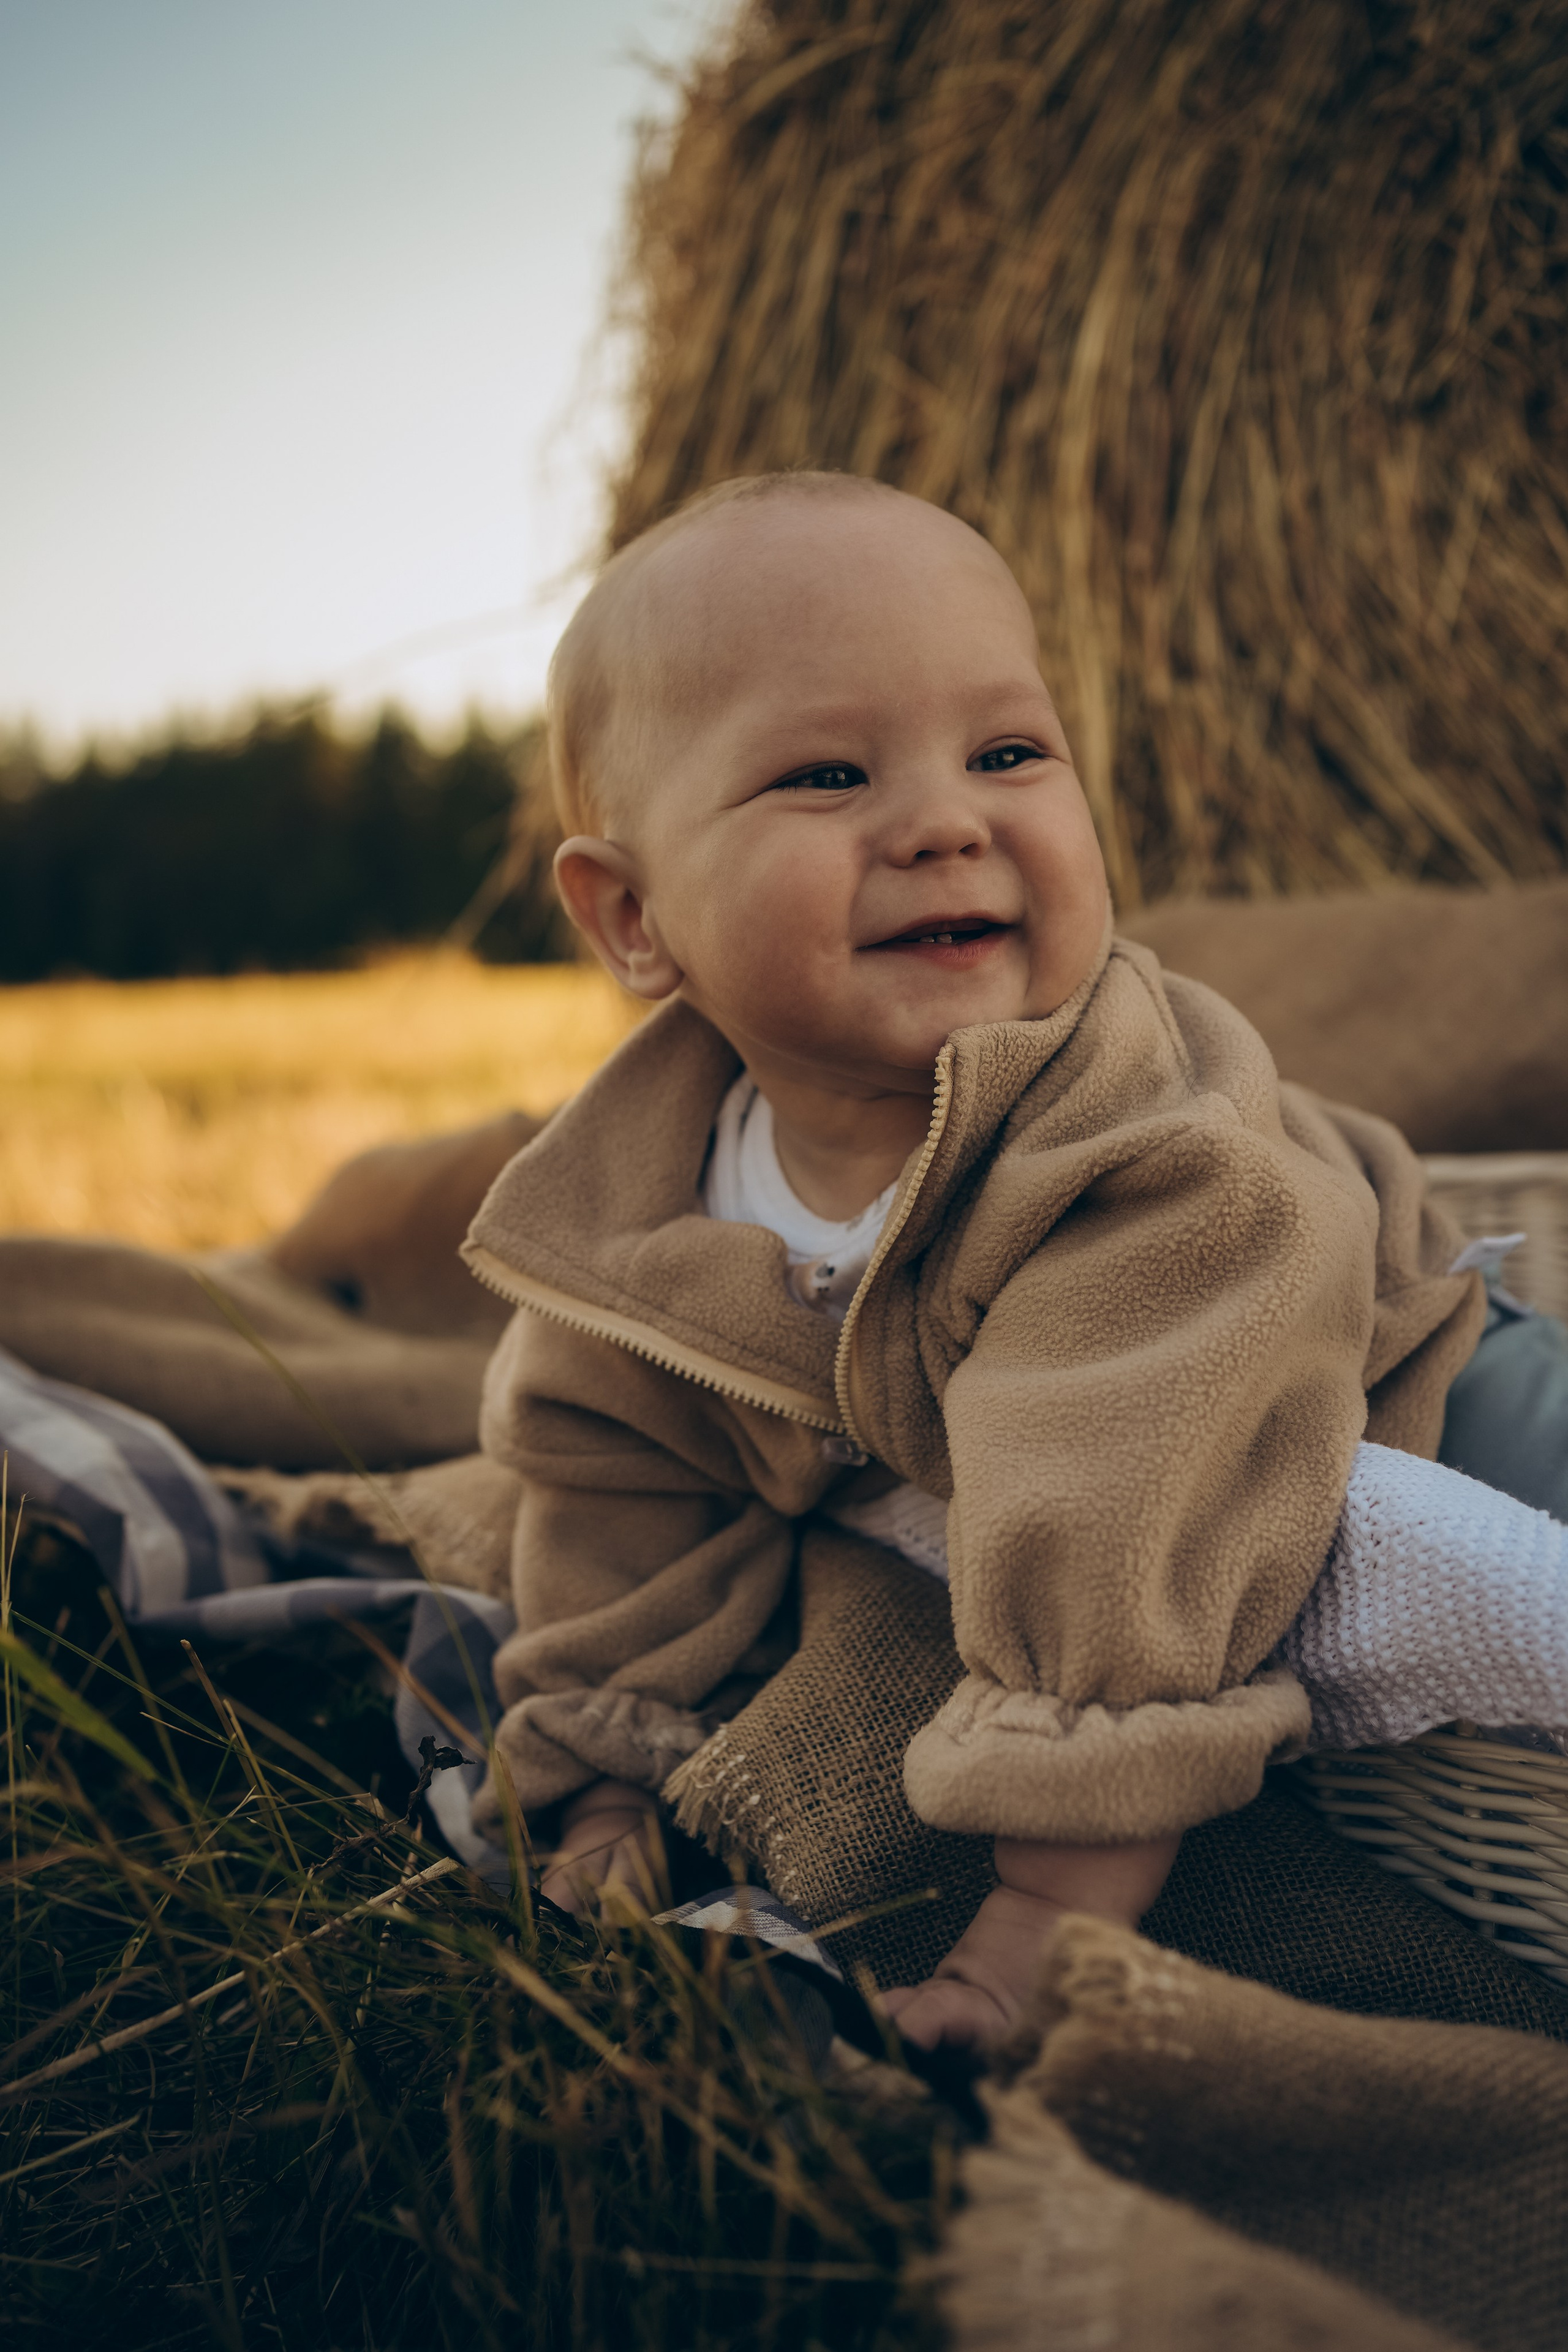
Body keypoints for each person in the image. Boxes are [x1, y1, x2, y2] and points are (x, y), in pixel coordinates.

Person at [459, 471, 1561, 2049]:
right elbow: (617, 1496)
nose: (946, 820)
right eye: (830, 774)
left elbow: (1123, 1500)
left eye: (1008, 753)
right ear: (635, 917)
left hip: (1407, 1362)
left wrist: (1046, 1910)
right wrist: (604, 1774)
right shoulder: (629, 1232)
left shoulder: (1142, 1145)